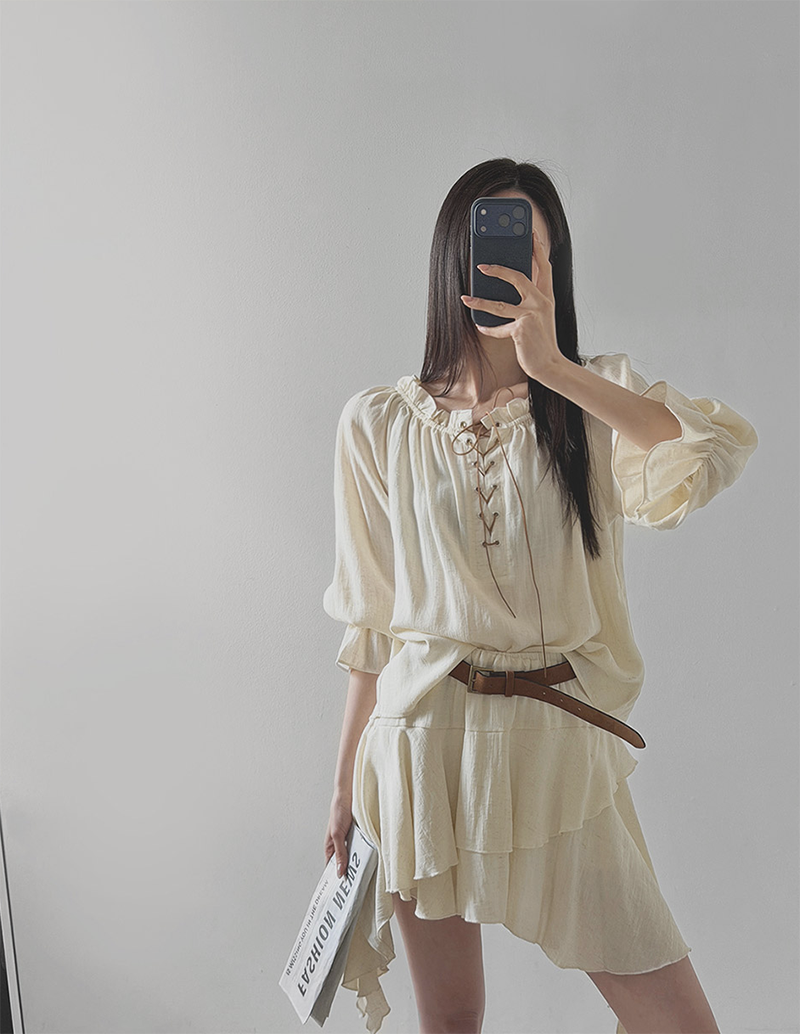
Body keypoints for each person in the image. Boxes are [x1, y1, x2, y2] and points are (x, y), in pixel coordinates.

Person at [321, 158, 758, 1034]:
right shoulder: (378, 423)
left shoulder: (589, 398)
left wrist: (552, 365)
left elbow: (698, 455)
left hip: (556, 747)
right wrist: (340, 793)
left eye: (533, 251)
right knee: (452, 1020)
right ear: (453, 258)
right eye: (493, 246)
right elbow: (371, 627)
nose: (512, 267)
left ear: (554, 267)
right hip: (420, 746)